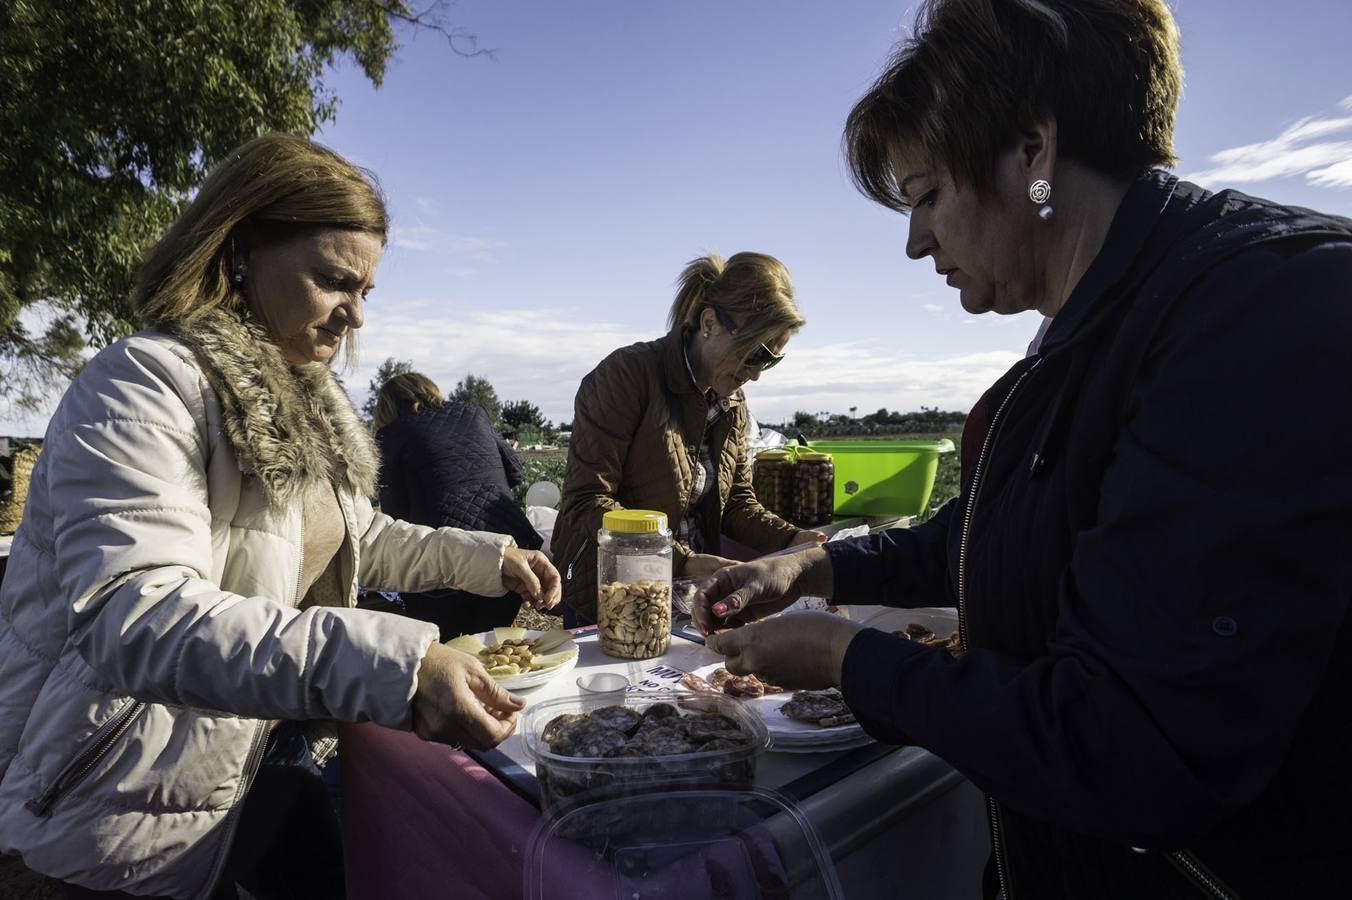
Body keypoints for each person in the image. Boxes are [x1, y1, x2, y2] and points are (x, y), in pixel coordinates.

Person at [695, 2, 1352, 898]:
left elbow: (1131, 744)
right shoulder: (1092, 331)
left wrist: (847, 660)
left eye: (927, 195)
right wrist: (813, 574)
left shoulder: (1261, 317)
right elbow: (998, 531)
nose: (915, 240)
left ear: (1033, 153)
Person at [0, 134, 560, 899]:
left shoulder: (306, 401)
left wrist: (489, 558)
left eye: (365, 292)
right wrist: (399, 667)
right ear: (239, 250)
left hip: (248, 768)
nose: (353, 317)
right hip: (110, 809)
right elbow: (137, 617)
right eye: (334, 281)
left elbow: (358, 539)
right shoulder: (143, 387)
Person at [553, 252, 825, 625]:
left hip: (682, 592)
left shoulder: (731, 400)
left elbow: (736, 504)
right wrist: (681, 559)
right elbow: (586, 502)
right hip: (609, 589)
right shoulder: (625, 378)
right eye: (753, 354)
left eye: (770, 360)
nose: (756, 374)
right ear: (709, 323)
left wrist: (792, 540)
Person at [374, 372, 545, 639]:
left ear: (386, 405)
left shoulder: (390, 434)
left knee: (447, 648)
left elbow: (394, 516)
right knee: (495, 645)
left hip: (443, 565)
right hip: (505, 544)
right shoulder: (473, 413)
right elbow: (516, 472)